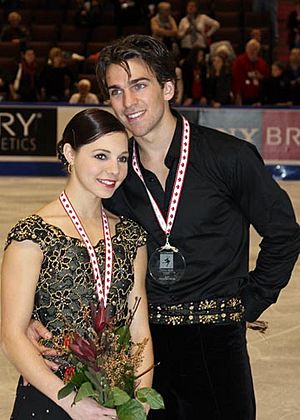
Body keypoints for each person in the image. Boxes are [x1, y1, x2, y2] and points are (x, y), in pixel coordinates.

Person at [26, 35, 300, 420]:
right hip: (141, 349)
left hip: (215, 344)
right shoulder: (114, 175)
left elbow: (284, 233)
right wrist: (39, 315)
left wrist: (249, 302)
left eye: (139, 85)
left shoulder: (229, 157)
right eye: (116, 91)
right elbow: (70, 237)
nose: (127, 103)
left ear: (168, 87)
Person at [1, 108, 153, 419]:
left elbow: (140, 332)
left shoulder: (131, 237)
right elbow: (11, 336)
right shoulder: (33, 235)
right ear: (70, 153)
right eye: (101, 156)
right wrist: (74, 404)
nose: (113, 169)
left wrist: (139, 402)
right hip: (51, 399)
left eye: (122, 158)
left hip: (115, 397)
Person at [232, 39, 270, 106]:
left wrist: (261, 77)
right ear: (246, 49)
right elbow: (235, 79)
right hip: (243, 97)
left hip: (258, 98)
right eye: (250, 48)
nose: (252, 51)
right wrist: (237, 95)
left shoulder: (263, 63)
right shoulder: (239, 61)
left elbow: (268, 79)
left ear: (258, 50)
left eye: (255, 49)